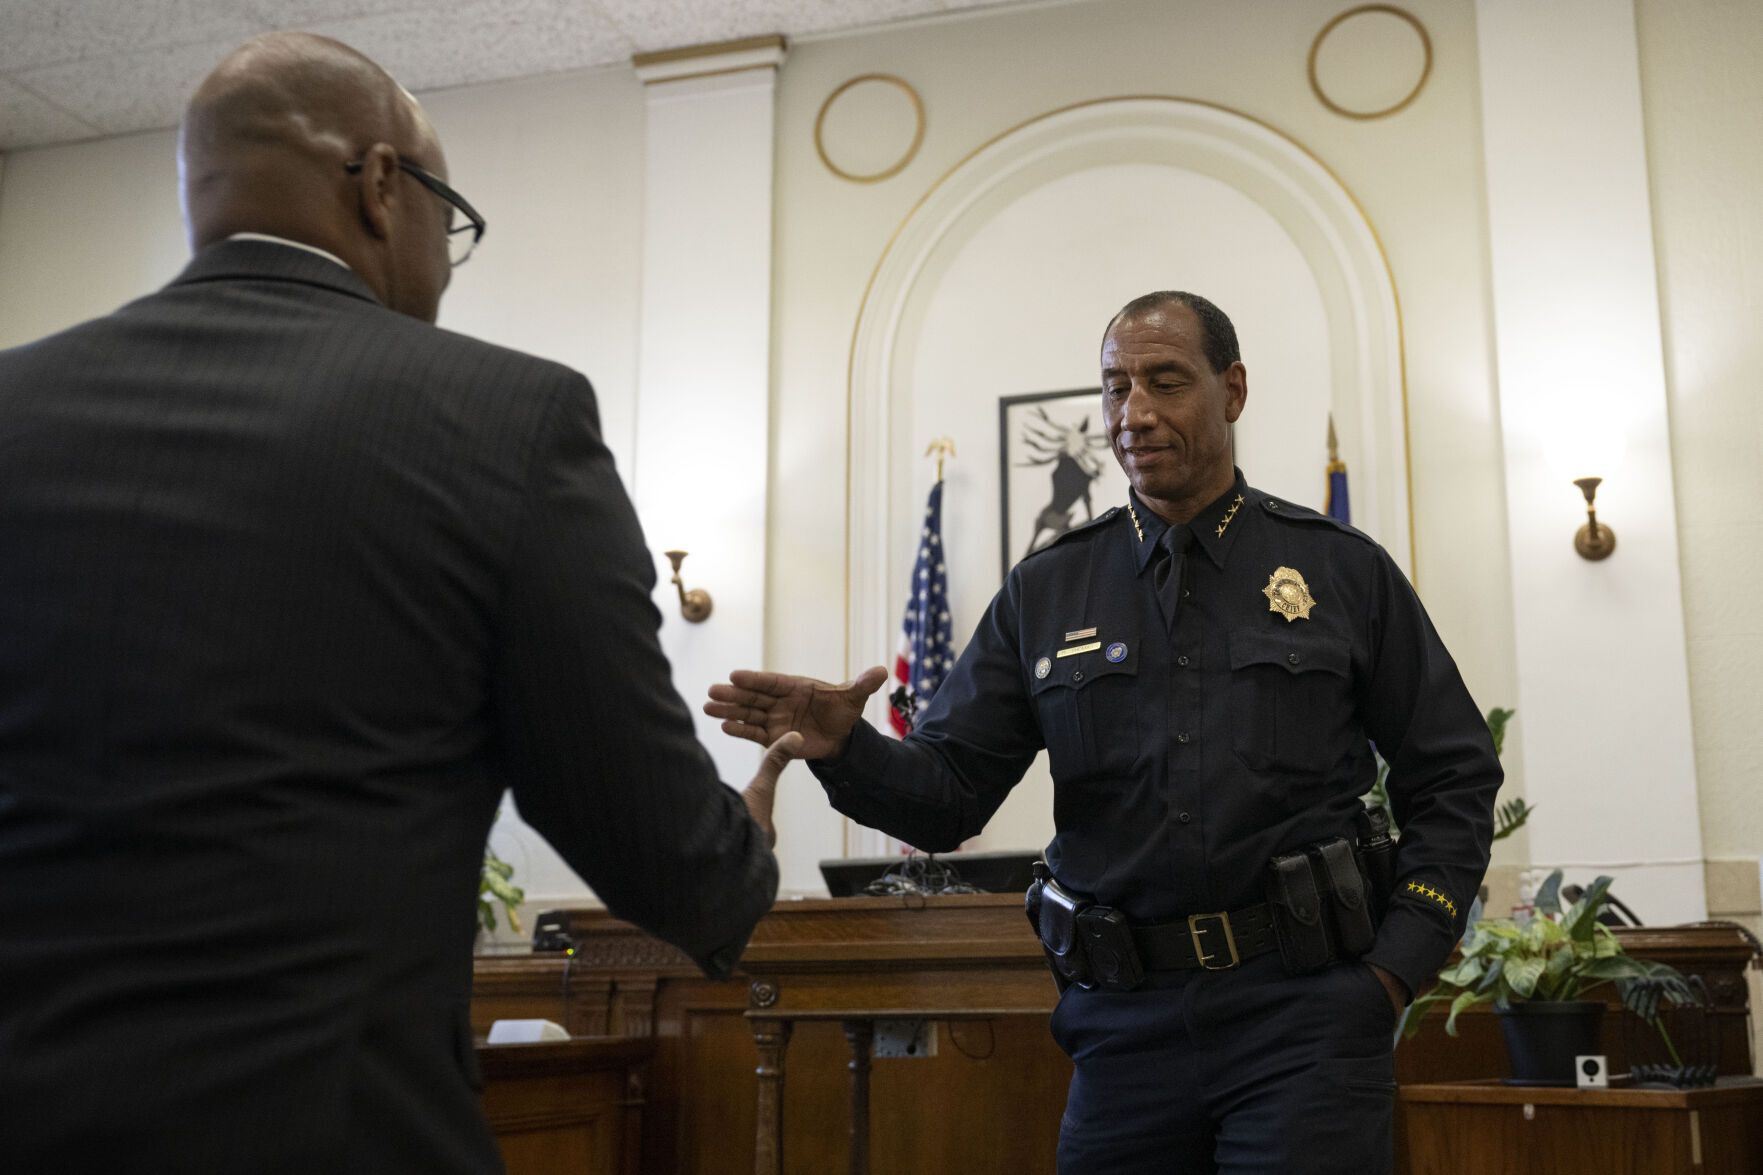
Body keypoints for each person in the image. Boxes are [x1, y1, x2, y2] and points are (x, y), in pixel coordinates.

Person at [0, 33, 794, 1172]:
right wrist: (742, 845)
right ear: (381, 186)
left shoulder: (13, 407)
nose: (446, 260)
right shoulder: (503, 420)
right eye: (449, 218)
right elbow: (659, 848)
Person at [707, 291, 1501, 1173]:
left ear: (1231, 390)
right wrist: (847, 751)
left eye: (1165, 381)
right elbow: (948, 796)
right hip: (1123, 1029)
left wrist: (1395, 967)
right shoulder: (1047, 589)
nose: (1135, 413)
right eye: (1115, 387)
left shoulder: (1339, 569)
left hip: (1305, 1014)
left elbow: (1452, 771)